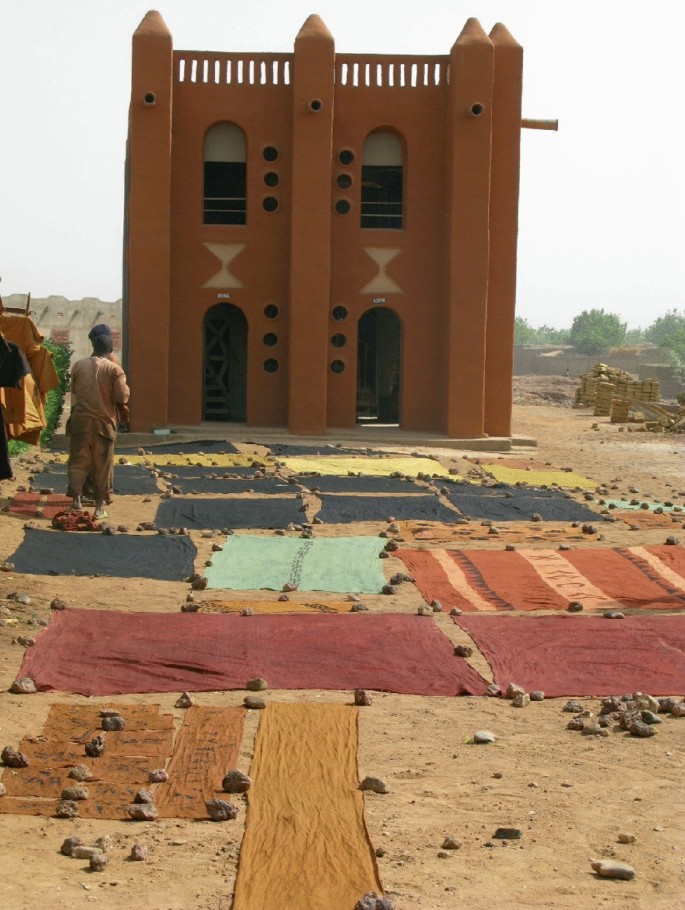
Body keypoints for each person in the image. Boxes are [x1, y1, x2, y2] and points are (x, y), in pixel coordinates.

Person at [67, 333, 130, 519]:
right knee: (102, 466)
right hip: (104, 424)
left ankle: (76, 502)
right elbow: (122, 397)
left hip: (80, 422)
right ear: (110, 350)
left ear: (93, 346)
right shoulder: (114, 369)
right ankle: (99, 508)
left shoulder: (78, 365)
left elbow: (74, 395)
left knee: (78, 462)